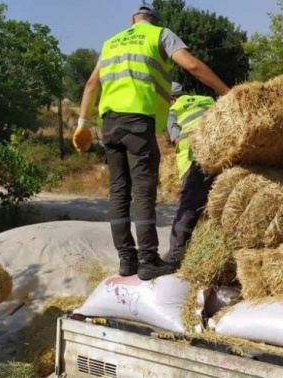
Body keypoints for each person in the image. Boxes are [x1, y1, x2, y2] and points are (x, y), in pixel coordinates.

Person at [73, 4, 230, 281]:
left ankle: (126, 260)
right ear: (154, 20)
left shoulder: (111, 42)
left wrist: (82, 124)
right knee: (144, 192)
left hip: (109, 124)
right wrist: (229, 92)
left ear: (132, 20)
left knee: (119, 192)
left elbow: (90, 85)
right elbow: (192, 65)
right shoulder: (159, 35)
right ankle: (148, 260)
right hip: (137, 122)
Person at [164, 82, 216, 266]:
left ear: (171, 98)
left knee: (188, 208)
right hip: (222, 155)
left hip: (194, 160)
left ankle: (175, 256)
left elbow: (176, 139)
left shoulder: (173, 110)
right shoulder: (207, 99)